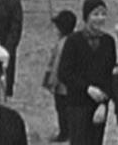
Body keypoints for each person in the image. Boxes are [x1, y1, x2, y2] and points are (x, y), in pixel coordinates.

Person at [58, 0, 117, 145]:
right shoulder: (73, 41)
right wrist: (87, 88)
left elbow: (110, 75)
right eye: (95, 14)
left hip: (99, 105)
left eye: (103, 14)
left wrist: (104, 104)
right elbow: (64, 73)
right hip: (77, 104)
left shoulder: (108, 42)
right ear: (86, 17)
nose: (100, 18)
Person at [43, 10, 76, 143]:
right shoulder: (75, 40)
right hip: (72, 85)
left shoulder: (62, 44)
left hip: (62, 86)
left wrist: (51, 82)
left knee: (62, 111)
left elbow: (56, 65)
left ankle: (64, 134)